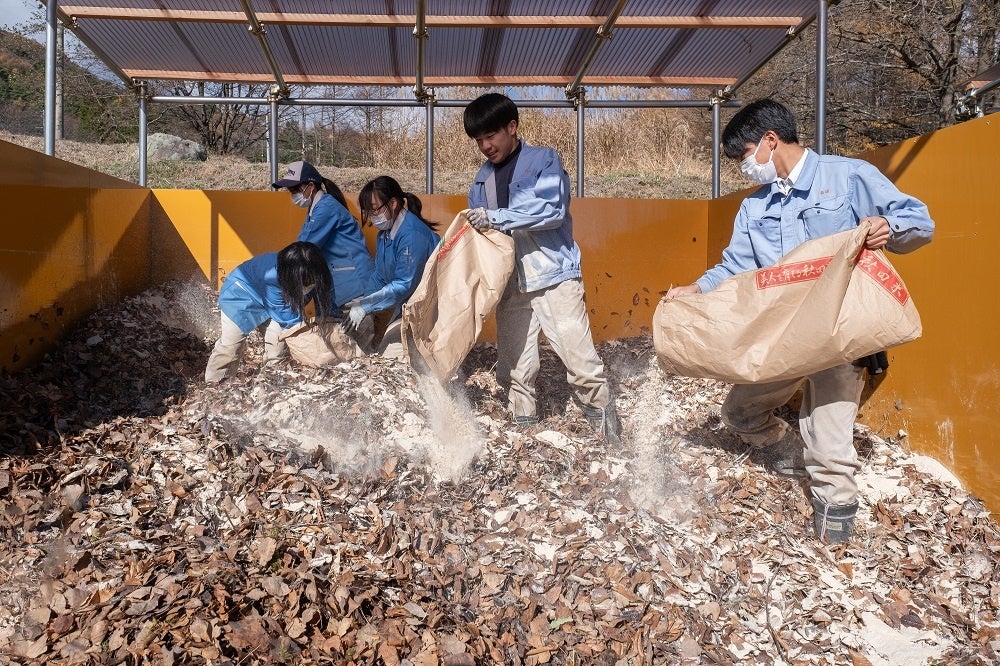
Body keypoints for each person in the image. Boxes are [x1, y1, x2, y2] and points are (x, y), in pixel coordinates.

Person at [664, 99, 934, 544]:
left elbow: (919, 221)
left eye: (746, 154)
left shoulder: (846, 176)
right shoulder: (755, 208)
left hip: (838, 334)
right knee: (737, 413)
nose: (745, 167)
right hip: (783, 334)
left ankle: (836, 527)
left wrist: (889, 225)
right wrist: (696, 289)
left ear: (771, 141)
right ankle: (791, 455)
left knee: (829, 448)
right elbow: (735, 265)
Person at [462, 92, 622, 446]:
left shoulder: (543, 160)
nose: (485, 146)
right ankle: (524, 425)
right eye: (479, 140)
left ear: (512, 127)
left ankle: (607, 432)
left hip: (552, 275)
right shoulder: (481, 180)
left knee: (579, 359)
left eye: (491, 136)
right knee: (516, 363)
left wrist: (497, 217)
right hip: (510, 281)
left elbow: (552, 210)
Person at [205, 241, 333, 382]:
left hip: (277, 299)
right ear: (291, 275)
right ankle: (215, 384)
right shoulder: (272, 275)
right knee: (231, 347)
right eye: (305, 281)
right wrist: (309, 341)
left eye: (311, 280)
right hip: (240, 296)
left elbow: (325, 296)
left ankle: (271, 379)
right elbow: (287, 318)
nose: (310, 284)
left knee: (277, 344)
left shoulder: (317, 268)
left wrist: (328, 319)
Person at [348, 176, 439, 358]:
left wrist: (366, 306)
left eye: (375, 209)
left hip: (432, 306)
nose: (373, 217)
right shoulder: (384, 235)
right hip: (409, 304)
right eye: (368, 211)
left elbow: (404, 285)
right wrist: (361, 300)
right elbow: (380, 277)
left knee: (392, 358)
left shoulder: (412, 235)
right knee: (386, 352)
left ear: (394, 203)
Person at [273, 161, 375, 312]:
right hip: (339, 284)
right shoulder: (316, 209)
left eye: (295, 190)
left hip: (353, 286)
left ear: (311, 186)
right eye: (290, 191)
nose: (293, 195)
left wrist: (275, 270)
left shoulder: (326, 209)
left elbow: (303, 248)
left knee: (353, 334)